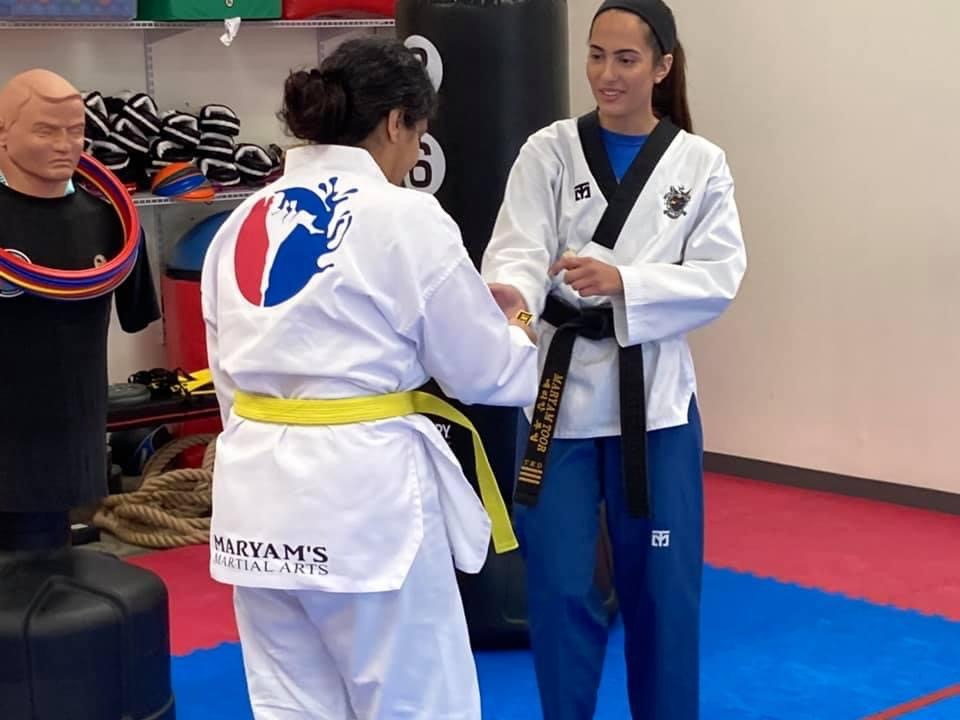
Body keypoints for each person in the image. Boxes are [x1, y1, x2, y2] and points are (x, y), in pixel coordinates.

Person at [200, 37, 539, 720]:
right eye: (419, 135)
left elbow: (229, 380)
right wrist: (519, 329)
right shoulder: (403, 216)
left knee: (293, 707)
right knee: (418, 703)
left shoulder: (238, 222)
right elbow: (482, 371)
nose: (417, 156)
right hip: (363, 503)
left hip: (254, 500)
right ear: (395, 123)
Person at [481, 1, 748, 718]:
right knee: (559, 589)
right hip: (558, 399)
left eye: (626, 59)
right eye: (596, 55)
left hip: (654, 402)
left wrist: (629, 283)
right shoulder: (549, 150)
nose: (606, 73)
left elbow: (720, 275)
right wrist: (509, 299)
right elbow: (516, 248)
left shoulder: (700, 163)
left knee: (661, 592)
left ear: (662, 67)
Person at [0, 68, 159, 542]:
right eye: (45, 130)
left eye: (76, 131)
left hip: (66, 445)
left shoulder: (110, 220)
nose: (65, 145)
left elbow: (135, 315)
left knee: (44, 588)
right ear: (4, 134)